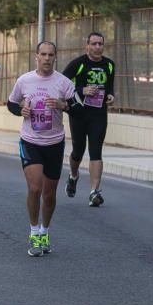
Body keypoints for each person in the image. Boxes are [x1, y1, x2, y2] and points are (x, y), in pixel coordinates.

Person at [7, 41, 79, 257]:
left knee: (49, 193)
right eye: (43, 54)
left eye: (51, 55)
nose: (47, 58)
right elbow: (11, 104)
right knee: (35, 188)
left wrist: (63, 105)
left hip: (54, 143)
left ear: (55, 58)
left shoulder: (63, 83)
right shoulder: (25, 80)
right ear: (36, 56)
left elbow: (79, 108)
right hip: (30, 141)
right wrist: (22, 110)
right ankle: (33, 232)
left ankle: (45, 231)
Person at [61, 31, 115, 207]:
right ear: (87, 46)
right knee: (78, 150)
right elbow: (61, 84)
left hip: (98, 114)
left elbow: (109, 88)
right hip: (79, 113)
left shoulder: (109, 65)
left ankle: (94, 192)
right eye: (94, 44)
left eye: (100, 44)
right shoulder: (78, 64)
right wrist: (81, 90)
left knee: (96, 150)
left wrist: (111, 96)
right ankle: (73, 175)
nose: (97, 47)